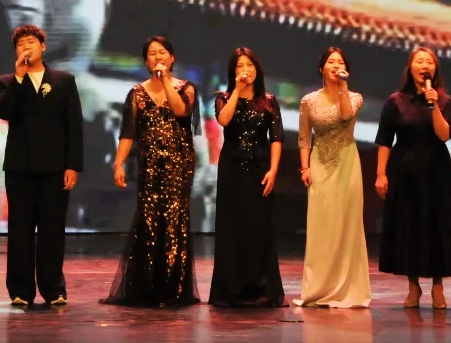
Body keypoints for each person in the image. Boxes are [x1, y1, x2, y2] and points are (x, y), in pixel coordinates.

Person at [102, 35, 201, 308]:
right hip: (148, 166)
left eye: (162, 52)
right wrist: (119, 163)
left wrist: (166, 80)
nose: (158, 57)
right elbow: (128, 132)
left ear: (172, 58)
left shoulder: (186, 88)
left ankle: (172, 287)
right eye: (152, 54)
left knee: (174, 221)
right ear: (146, 62)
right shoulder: (136, 93)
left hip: (178, 166)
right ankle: (146, 286)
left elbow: (181, 111)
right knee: (148, 220)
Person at [0, 25, 83, 306]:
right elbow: (4, 112)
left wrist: (72, 165)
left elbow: (74, 125)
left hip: (54, 169)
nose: (26, 47)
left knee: (52, 231)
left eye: (31, 42)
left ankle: (53, 289)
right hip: (19, 168)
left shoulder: (63, 80)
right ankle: (20, 290)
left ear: (43, 46)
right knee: (19, 232)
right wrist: (19, 78)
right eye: (21, 44)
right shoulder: (6, 82)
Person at [374, 47, 451, 309]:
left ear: (435, 70)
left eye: (430, 62)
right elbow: (384, 140)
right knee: (409, 227)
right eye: (420, 61)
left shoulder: (445, 101)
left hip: (437, 170)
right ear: (410, 68)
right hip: (404, 169)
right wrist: (381, 174)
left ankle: (438, 286)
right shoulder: (395, 101)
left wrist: (434, 105)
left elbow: (444, 135)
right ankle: (413, 287)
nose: (425, 66)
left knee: (437, 227)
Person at [293, 47, 371, 308]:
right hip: (319, 163)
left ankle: (348, 289)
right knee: (322, 224)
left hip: (347, 163)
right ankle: (319, 288)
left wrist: (343, 87)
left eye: (340, 63)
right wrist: (305, 168)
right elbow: (304, 137)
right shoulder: (309, 101)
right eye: (331, 62)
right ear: (321, 69)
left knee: (348, 223)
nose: (336, 66)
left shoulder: (355, 97)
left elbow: (346, 115)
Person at [209, 47, 285, 308]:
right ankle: (231, 289)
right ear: (233, 72)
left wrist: (273, 170)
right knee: (232, 228)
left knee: (258, 226)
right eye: (240, 66)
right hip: (231, 169)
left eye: (249, 65)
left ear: (257, 69)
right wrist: (237, 92)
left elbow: (276, 138)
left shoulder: (269, 100)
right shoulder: (224, 98)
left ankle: (261, 288)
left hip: (260, 169)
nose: (245, 70)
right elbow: (224, 120)